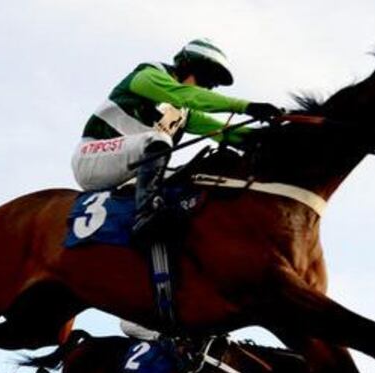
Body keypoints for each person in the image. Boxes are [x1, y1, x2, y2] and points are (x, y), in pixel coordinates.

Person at [71, 39, 282, 235]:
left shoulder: (183, 113)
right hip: (92, 158)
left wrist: (272, 137)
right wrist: (245, 107)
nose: (208, 87)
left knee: (197, 176)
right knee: (159, 140)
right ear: (188, 67)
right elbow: (188, 96)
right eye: (208, 79)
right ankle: (146, 214)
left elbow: (225, 133)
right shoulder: (147, 75)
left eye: (212, 85)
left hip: (130, 168)